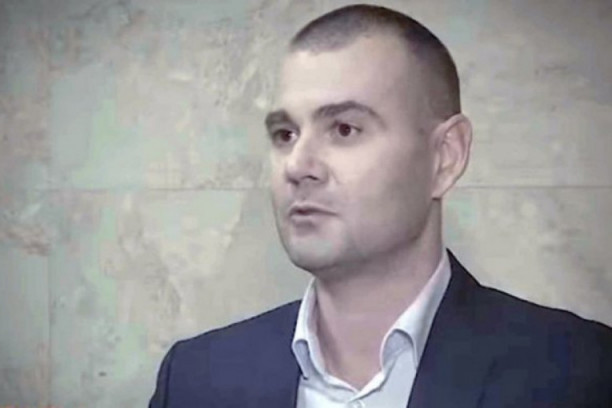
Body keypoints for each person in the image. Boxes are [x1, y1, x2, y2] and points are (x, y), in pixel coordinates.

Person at [148, 4, 612, 407]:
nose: (298, 165)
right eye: (285, 134)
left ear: (445, 157)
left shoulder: (580, 373)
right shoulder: (195, 380)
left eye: (344, 129)